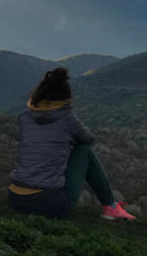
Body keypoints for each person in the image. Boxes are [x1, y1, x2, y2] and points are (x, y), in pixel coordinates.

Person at [8, 67, 136, 220]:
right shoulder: (67, 119)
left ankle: (111, 206)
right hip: (48, 204)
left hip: (15, 197)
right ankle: (110, 206)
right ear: (65, 97)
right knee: (83, 150)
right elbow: (88, 139)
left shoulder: (25, 118)